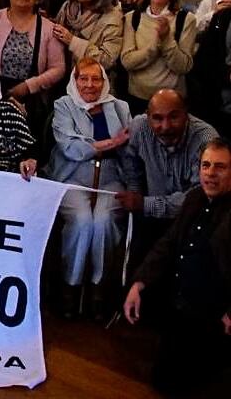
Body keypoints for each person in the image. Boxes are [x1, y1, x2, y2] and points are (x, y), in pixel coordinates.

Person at [122, 137, 231, 396]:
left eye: (220, 167)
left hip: (216, 320)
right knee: (163, 381)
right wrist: (138, 283)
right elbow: (167, 245)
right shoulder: (194, 198)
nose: (210, 174)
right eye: (206, 165)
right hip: (182, 309)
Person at [47, 59, 132, 319]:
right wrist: (110, 143)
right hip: (72, 176)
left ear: (104, 81)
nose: (89, 85)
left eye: (96, 79)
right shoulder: (63, 105)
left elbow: (128, 149)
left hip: (111, 178)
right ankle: (70, 288)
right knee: (82, 220)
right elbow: (71, 148)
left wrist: (103, 145)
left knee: (103, 221)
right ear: (75, 80)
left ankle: (98, 289)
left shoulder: (120, 107)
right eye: (83, 78)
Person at [118, 89, 218, 222]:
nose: (166, 126)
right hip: (149, 214)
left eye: (174, 117)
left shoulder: (205, 140)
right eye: (157, 118)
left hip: (193, 217)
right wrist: (134, 195)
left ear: (186, 113)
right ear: (148, 116)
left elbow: (201, 194)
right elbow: (131, 168)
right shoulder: (139, 127)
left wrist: (145, 204)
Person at [120, 0, 198, 112]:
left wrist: (167, 40)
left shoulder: (186, 20)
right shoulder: (133, 18)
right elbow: (127, 61)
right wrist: (156, 45)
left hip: (173, 99)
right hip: (137, 97)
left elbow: (183, 66)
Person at [52, 0, 123, 77]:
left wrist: (72, 41)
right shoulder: (70, 6)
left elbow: (107, 61)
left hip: (92, 82)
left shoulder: (113, 17)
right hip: (64, 75)